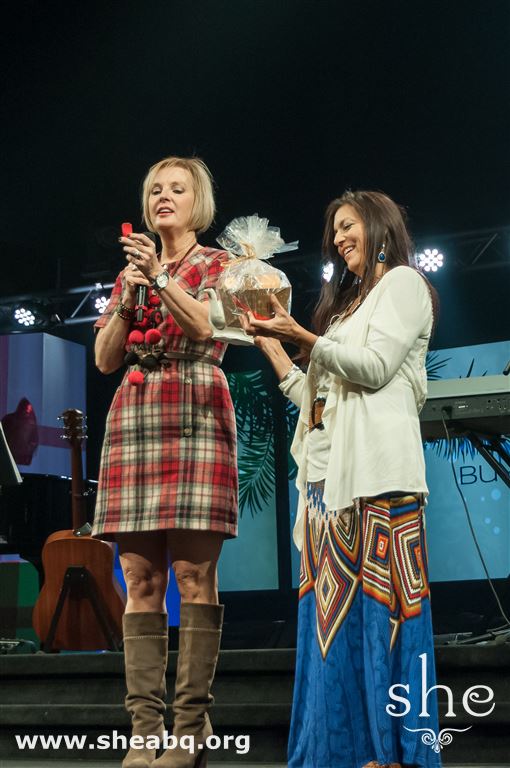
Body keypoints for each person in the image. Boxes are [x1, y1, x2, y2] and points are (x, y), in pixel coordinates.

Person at [241, 190, 441, 768]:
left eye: (348, 225)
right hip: (328, 488)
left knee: (385, 621)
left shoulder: (404, 285)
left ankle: (396, 752)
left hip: (380, 480)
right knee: (335, 627)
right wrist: (276, 349)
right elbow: (318, 404)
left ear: (378, 226)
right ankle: (342, 752)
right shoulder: (347, 310)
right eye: (335, 231)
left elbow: (375, 370)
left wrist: (304, 338)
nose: (339, 238)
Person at [92, 156, 238, 768]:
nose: (164, 197)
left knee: (191, 575)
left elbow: (206, 329)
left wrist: (159, 278)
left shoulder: (223, 265)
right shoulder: (130, 273)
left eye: (177, 189)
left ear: (198, 201)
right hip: (135, 413)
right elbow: (105, 358)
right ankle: (144, 732)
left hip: (196, 407)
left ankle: (190, 728)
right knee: (140, 579)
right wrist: (132, 294)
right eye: (155, 189)